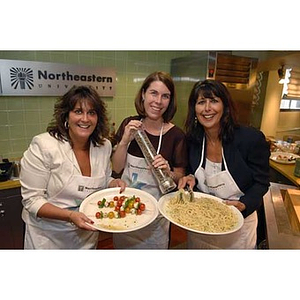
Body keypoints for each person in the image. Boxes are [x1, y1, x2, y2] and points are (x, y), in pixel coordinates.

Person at [20, 85, 126, 249]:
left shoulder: (103, 146)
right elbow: (32, 201)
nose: (85, 119)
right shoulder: (44, 146)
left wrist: (113, 183)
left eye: (91, 112)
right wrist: (70, 216)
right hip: (48, 238)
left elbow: (103, 179)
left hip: (86, 238)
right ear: (66, 116)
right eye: (78, 111)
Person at [178, 79, 270, 249]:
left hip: (238, 224)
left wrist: (246, 203)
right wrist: (190, 178)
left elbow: (262, 182)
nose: (207, 108)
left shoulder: (250, 139)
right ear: (194, 109)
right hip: (201, 221)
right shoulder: (193, 139)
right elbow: (193, 172)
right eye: (201, 102)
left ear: (225, 106)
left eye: (213, 101)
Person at [112, 71, 188, 249]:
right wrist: (124, 141)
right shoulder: (129, 124)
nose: (158, 101)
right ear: (143, 94)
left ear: (170, 101)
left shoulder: (176, 135)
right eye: (153, 93)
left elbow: (179, 177)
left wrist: (168, 171)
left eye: (165, 96)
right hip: (127, 210)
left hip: (157, 217)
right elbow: (116, 169)